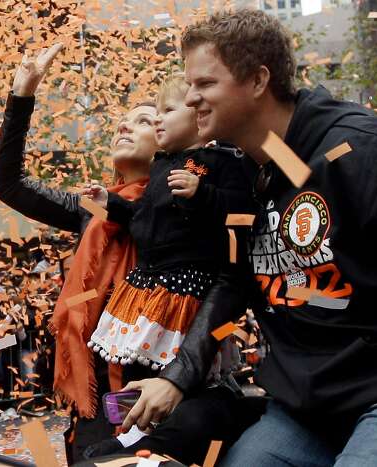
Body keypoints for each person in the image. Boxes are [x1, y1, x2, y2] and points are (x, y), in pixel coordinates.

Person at [128, 9, 377, 467]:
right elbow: (237, 279)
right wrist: (178, 377)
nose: (191, 98)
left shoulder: (368, 151)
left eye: (205, 84)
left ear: (258, 80)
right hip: (306, 410)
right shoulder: (262, 165)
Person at [0, 43, 159, 459]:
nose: (123, 127)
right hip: (95, 403)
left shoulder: (187, 208)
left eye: (142, 121)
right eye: (121, 122)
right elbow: (8, 184)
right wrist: (22, 93)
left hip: (162, 396)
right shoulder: (94, 208)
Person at [79, 74, 256, 463]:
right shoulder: (160, 166)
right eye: (153, 114)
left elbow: (241, 216)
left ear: (198, 116)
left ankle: (162, 436)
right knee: (133, 365)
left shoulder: (224, 161)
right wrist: (108, 202)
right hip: (144, 288)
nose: (159, 120)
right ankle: (133, 432)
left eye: (166, 111)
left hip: (185, 290)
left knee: (173, 373)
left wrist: (203, 193)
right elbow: (141, 215)